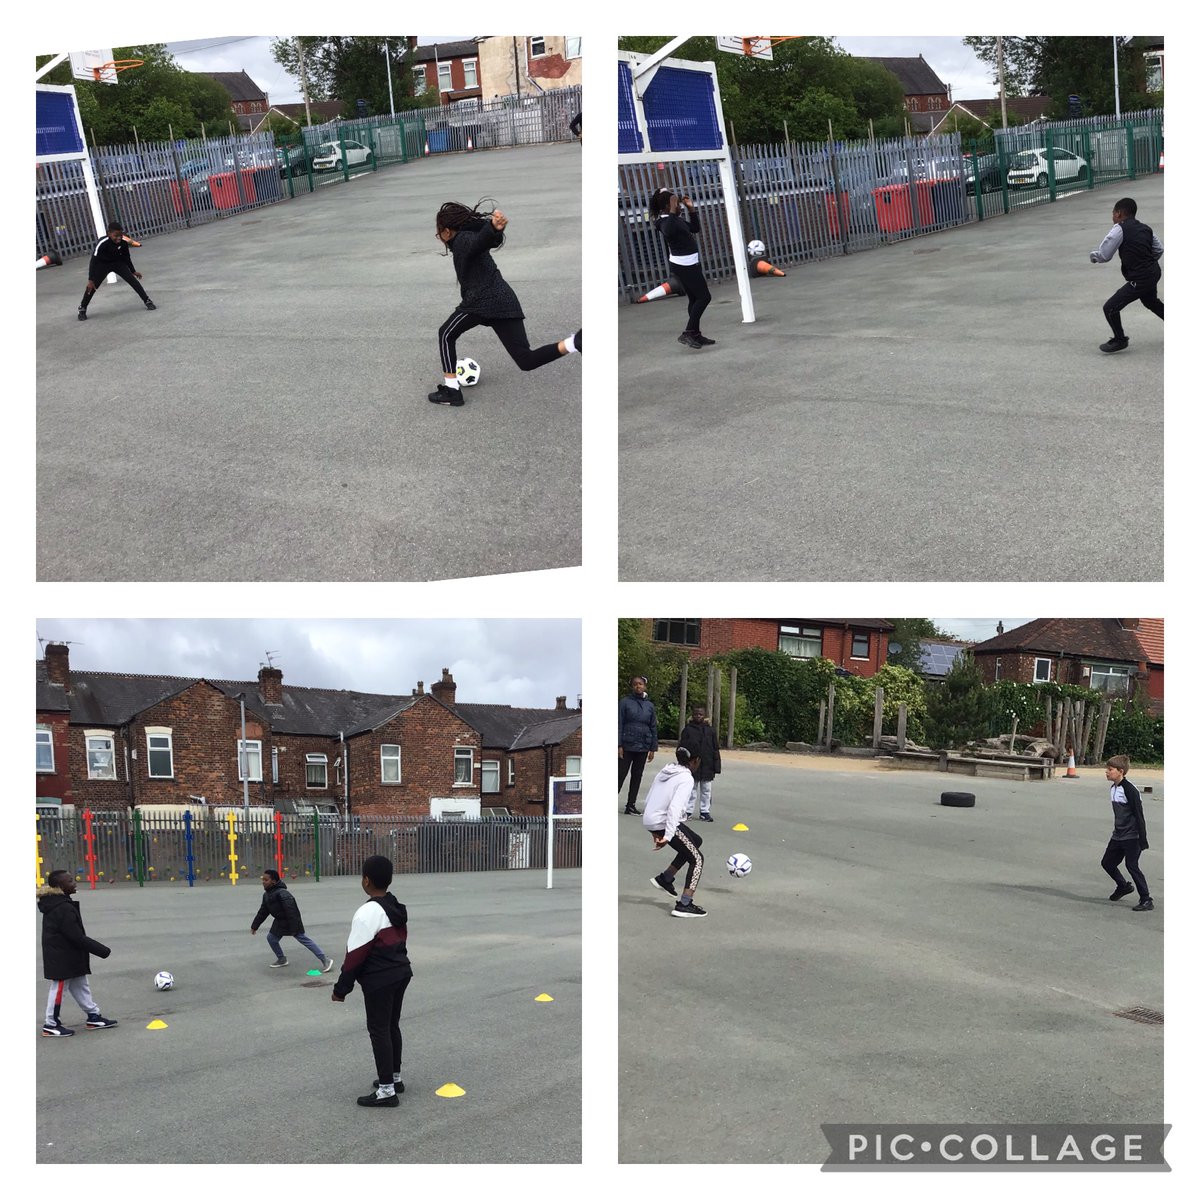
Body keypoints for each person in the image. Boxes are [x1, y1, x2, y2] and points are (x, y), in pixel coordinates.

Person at [429, 200, 582, 405]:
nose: (439, 237)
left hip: (481, 302)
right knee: (526, 360)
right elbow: (484, 241)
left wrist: (493, 228)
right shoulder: (467, 238)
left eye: (439, 232)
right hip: (503, 301)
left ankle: (452, 391)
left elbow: (479, 242)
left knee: (446, 333)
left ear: (447, 231)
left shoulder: (462, 240)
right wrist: (494, 231)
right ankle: (576, 342)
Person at [331, 855, 414, 1108]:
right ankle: (394, 1078)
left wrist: (341, 989)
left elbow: (355, 955)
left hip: (381, 979)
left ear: (366, 880)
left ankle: (387, 1091)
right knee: (391, 1026)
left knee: (379, 1030)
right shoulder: (395, 905)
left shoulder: (367, 912)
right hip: (401, 973)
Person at [38, 869, 118, 1036]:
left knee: (81, 985)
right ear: (60, 886)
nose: (74, 883)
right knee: (59, 988)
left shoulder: (59, 902)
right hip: (61, 956)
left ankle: (93, 1016)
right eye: (70, 881)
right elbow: (76, 936)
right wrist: (102, 950)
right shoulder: (62, 907)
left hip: (70, 954)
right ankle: (51, 1024)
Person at [1089, 197, 1163, 353]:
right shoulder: (1146, 228)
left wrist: (1094, 257)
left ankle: (1120, 340)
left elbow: (1105, 254)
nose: (1112, 217)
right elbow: (1159, 249)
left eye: (1113, 213)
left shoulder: (1119, 228)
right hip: (1154, 271)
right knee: (1151, 301)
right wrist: (1147, 262)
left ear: (1119, 213)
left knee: (1110, 308)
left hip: (1141, 277)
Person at [644, 746, 707, 917]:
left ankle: (665, 878)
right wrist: (668, 835)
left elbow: (650, 796)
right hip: (663, 822)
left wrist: (652, 828)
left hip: (652, 819)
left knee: (696, 841)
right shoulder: (686, 778)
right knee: (698, 859)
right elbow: (674, 808)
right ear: (695, 761)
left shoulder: (667, 769)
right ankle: (685, 904)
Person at [649, 186, 713, 349]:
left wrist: (691, 209)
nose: (678, 206)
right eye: (676, 204)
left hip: (690, 262)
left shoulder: (676, 219)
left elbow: (695, 228)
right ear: (666, 206)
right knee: (704, 297)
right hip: (683, 265)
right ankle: (688, 332)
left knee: (694, 298)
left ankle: (696, 334)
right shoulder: (662, 221)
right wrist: (672, 209)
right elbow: (669, 232)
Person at [251, 869, 335, 971]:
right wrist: (254, 926)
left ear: (273, 881)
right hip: (279, 921)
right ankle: (282, 959)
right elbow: (263, 912)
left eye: (266, 880)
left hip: (291, 921)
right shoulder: (266, 895)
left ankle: (325, 960)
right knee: (271, 938)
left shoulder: (283, 893)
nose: (263, 882)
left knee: (304, 939)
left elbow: (292, 912)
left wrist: (295, 927)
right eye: (263, 879)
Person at [1101, 755, 1153, 911]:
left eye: (1110, 769)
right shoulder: (1113, 788)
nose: (1106, 772)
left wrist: (1142, 839)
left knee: (1132, 865)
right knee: (1107, 863)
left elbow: (1139, 815)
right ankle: (1123, 886)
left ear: (1120, 771)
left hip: (1133, 836)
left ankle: (1146, 899)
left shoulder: (1130, 790)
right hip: (1118, 835)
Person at [77, 220, 156, 321]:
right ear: (109, 233)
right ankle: (82, 308)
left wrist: (133, 271)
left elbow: (127, 257)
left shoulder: (123, 242)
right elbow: (93, 260)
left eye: (120, 235)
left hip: (117, 263)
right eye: (116, 235)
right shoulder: (103, 243)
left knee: (133, 281)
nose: (119, 238)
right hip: (102, 265)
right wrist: (91, 279)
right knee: (92, 287)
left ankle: (147, 300)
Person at [618, 675, 658, 815]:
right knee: (620, 774)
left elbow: (653, 726)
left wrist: (653, 748)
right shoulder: (624, 702)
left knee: (637, 776)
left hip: (643, 745)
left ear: (645, 686)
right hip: (627, 744)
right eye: (635, 684)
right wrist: (619, 745)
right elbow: (619, 724)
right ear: (632, 686)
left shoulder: (649, 705)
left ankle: (631, 805)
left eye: (640, 684)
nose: (638, 686)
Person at [680, 704, 721, 822]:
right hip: (692, 764)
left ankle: (705, 811)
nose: (698, 716)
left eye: (701, 714)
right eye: (696, 714)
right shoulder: (688, 730)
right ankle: (688, 811)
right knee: (691, 789)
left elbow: (715, 748)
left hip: (708, 765)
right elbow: (682, 747)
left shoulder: (710, 730)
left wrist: (716, 765)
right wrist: (684, 763)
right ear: (692, 716)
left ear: (705, 716)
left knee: (706, 790)